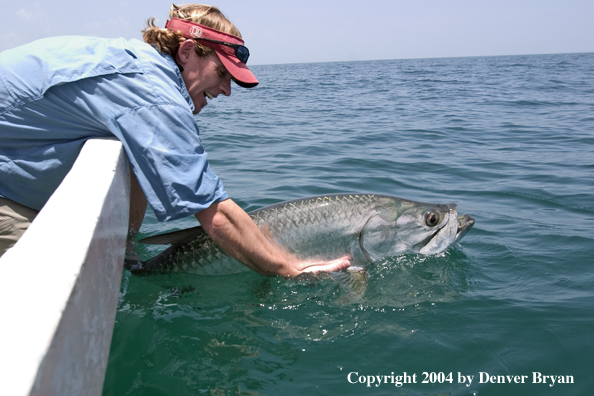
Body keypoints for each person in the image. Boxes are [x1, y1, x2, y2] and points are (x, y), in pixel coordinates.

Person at [0, 4, 350, 276]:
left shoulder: (138, 66)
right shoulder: (154, 96)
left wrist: (124, 252)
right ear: (187, 52)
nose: (227, 90)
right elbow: (214, 212)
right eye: (223, 73)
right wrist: (288, 267)